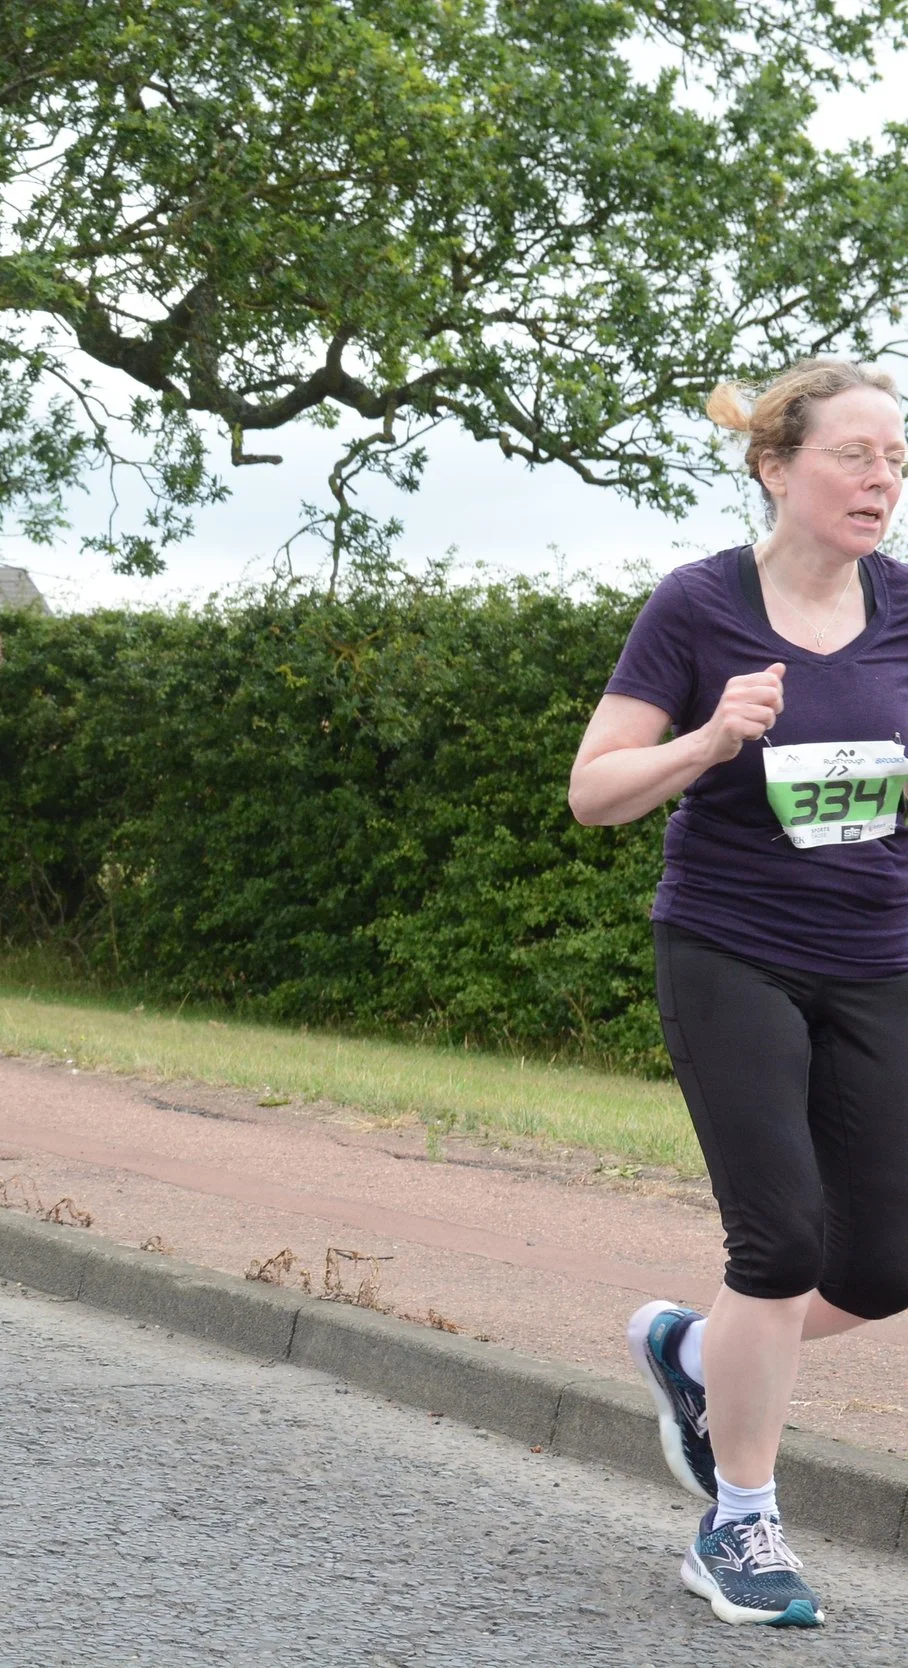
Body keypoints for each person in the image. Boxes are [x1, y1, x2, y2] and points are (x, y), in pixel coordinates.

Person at [570, 358, 908, 1629]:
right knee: (779, 1242)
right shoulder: (699, 605)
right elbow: (593, 790)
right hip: (728, 950)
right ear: (776, 466)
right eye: (854, 455)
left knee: (881, 1263)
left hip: (877, 954)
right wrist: (710, 739)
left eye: (896, 460)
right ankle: (741, 1523)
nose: (882, 479)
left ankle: (695, 1355)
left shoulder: (906, 612)